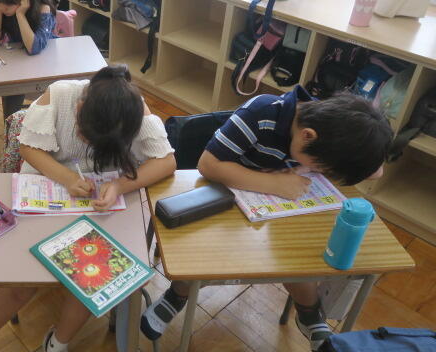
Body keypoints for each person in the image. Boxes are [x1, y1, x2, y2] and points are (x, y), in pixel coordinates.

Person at [140, 86, 393, 351]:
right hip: (227, 193)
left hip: (277, 207)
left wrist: (369, 146)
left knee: (296, 257)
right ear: (307, 136)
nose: (317, 170)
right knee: (210, 253)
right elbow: (208, 165)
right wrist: (273, 184)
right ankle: (177, 294)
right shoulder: (262, 113)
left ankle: (309, 313)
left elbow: (376, 172)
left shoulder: (333, 126)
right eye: (318, 166)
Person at [0, 65, 177, 352]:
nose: (87, 145)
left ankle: (57, 343)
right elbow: (28, 148)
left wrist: (119, 186)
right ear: (79, 108)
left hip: (98, 207)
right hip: (46, 191)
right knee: (22, 281)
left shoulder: (132, 110)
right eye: (85, 135)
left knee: (91, 278)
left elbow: (166, 162)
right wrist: (68, 178)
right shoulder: (60, 94)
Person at [0, 0, 58, 119]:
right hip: (17, 68)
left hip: (45, 69)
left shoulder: (43, 9)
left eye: (9, 3)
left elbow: (34, 48)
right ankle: (11, 127)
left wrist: (20, 15)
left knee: (46, 108)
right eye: (0, 0)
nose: (4, 7)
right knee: (11, 92)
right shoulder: (3, 9)